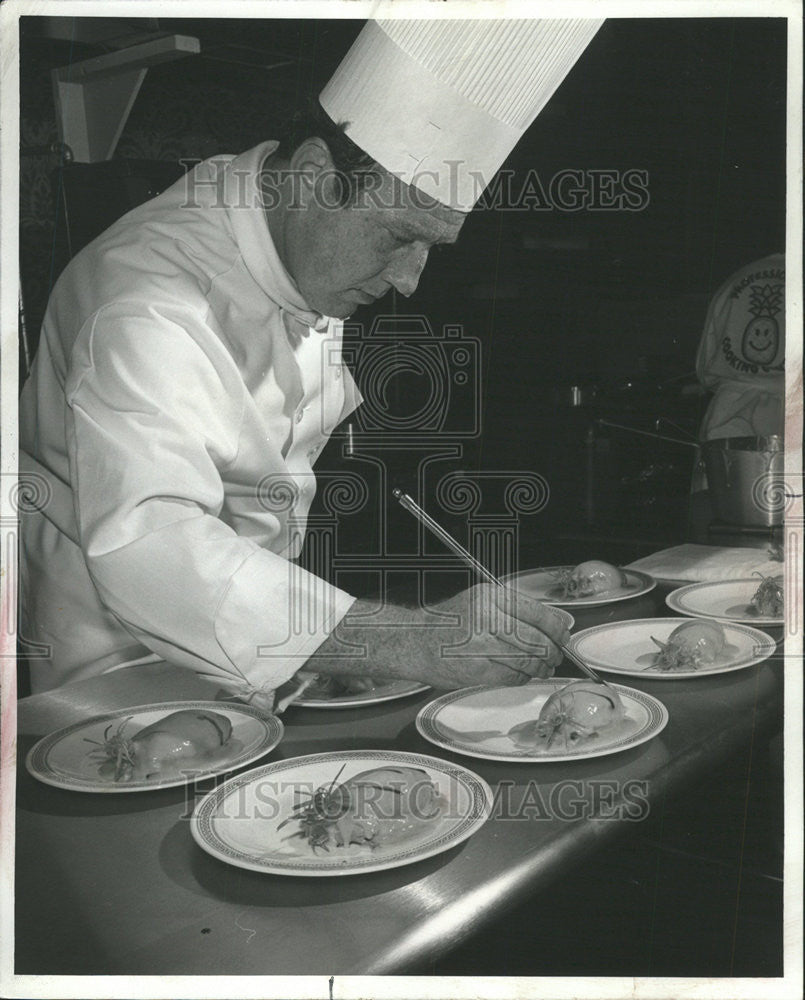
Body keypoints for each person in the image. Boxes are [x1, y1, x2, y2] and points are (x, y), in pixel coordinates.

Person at [18, 18, 603, 702]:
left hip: (260, 635)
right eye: (398, 237)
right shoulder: (143, 301)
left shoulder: (286, 235)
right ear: (313, 176)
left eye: (431, 249)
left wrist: (325, 640)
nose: (410, 281)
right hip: (116, 651)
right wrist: (402, 641)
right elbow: (153, 545)